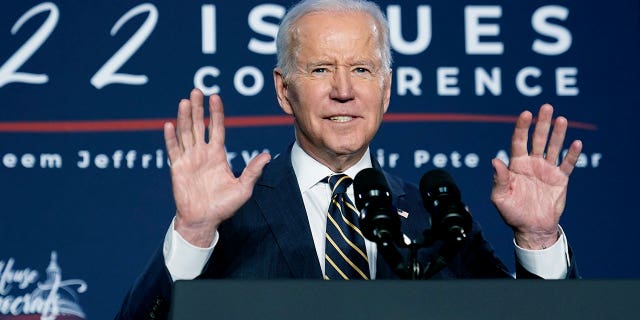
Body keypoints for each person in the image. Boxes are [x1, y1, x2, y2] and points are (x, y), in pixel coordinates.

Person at [115, 0, 583, 318]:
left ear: (386, 90)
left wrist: (538, 239)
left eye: (361, 69)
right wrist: (195, 233)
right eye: (321, 69)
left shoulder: (435, 218)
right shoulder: (230, 214)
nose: (343, 90)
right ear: (284, 90)